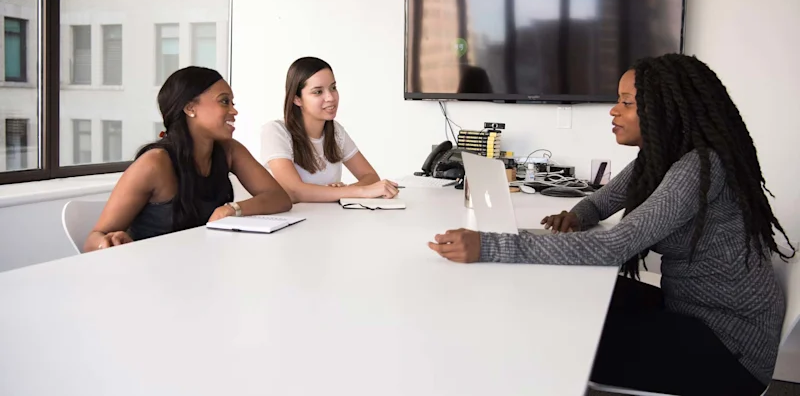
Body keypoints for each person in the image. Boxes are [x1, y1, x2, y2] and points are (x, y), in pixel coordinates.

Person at [428, 53, 795, 396]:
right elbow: (600, 201)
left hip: (730, 348)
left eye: (627, 102)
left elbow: (613, 246)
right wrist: (577, 217)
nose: (614, 111)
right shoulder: (659, 159)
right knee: (565, 295)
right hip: (690, 309)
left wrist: (490, 246)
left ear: (665, 110)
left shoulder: (698, 167)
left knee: (556, 335)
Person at [84, 67, 292, 252]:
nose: (234, 110)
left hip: (202, 267)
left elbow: (279, 198)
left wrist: (231, 209)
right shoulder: (154, 164)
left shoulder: (230, 151)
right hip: (153, 275)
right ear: (190, 108)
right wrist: (108, 242)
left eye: (232, 102)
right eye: (224, 101)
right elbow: (92, 241)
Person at [261, 57, 399, 203]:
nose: (330, 97)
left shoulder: (336, 131)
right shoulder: (276, 131)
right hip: (293, 222)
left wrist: (340, 192)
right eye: (318, 92)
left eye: (333, 88)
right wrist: (346, 192)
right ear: (297, 99)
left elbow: (370, 176)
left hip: (330, 220)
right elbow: (295, 191)